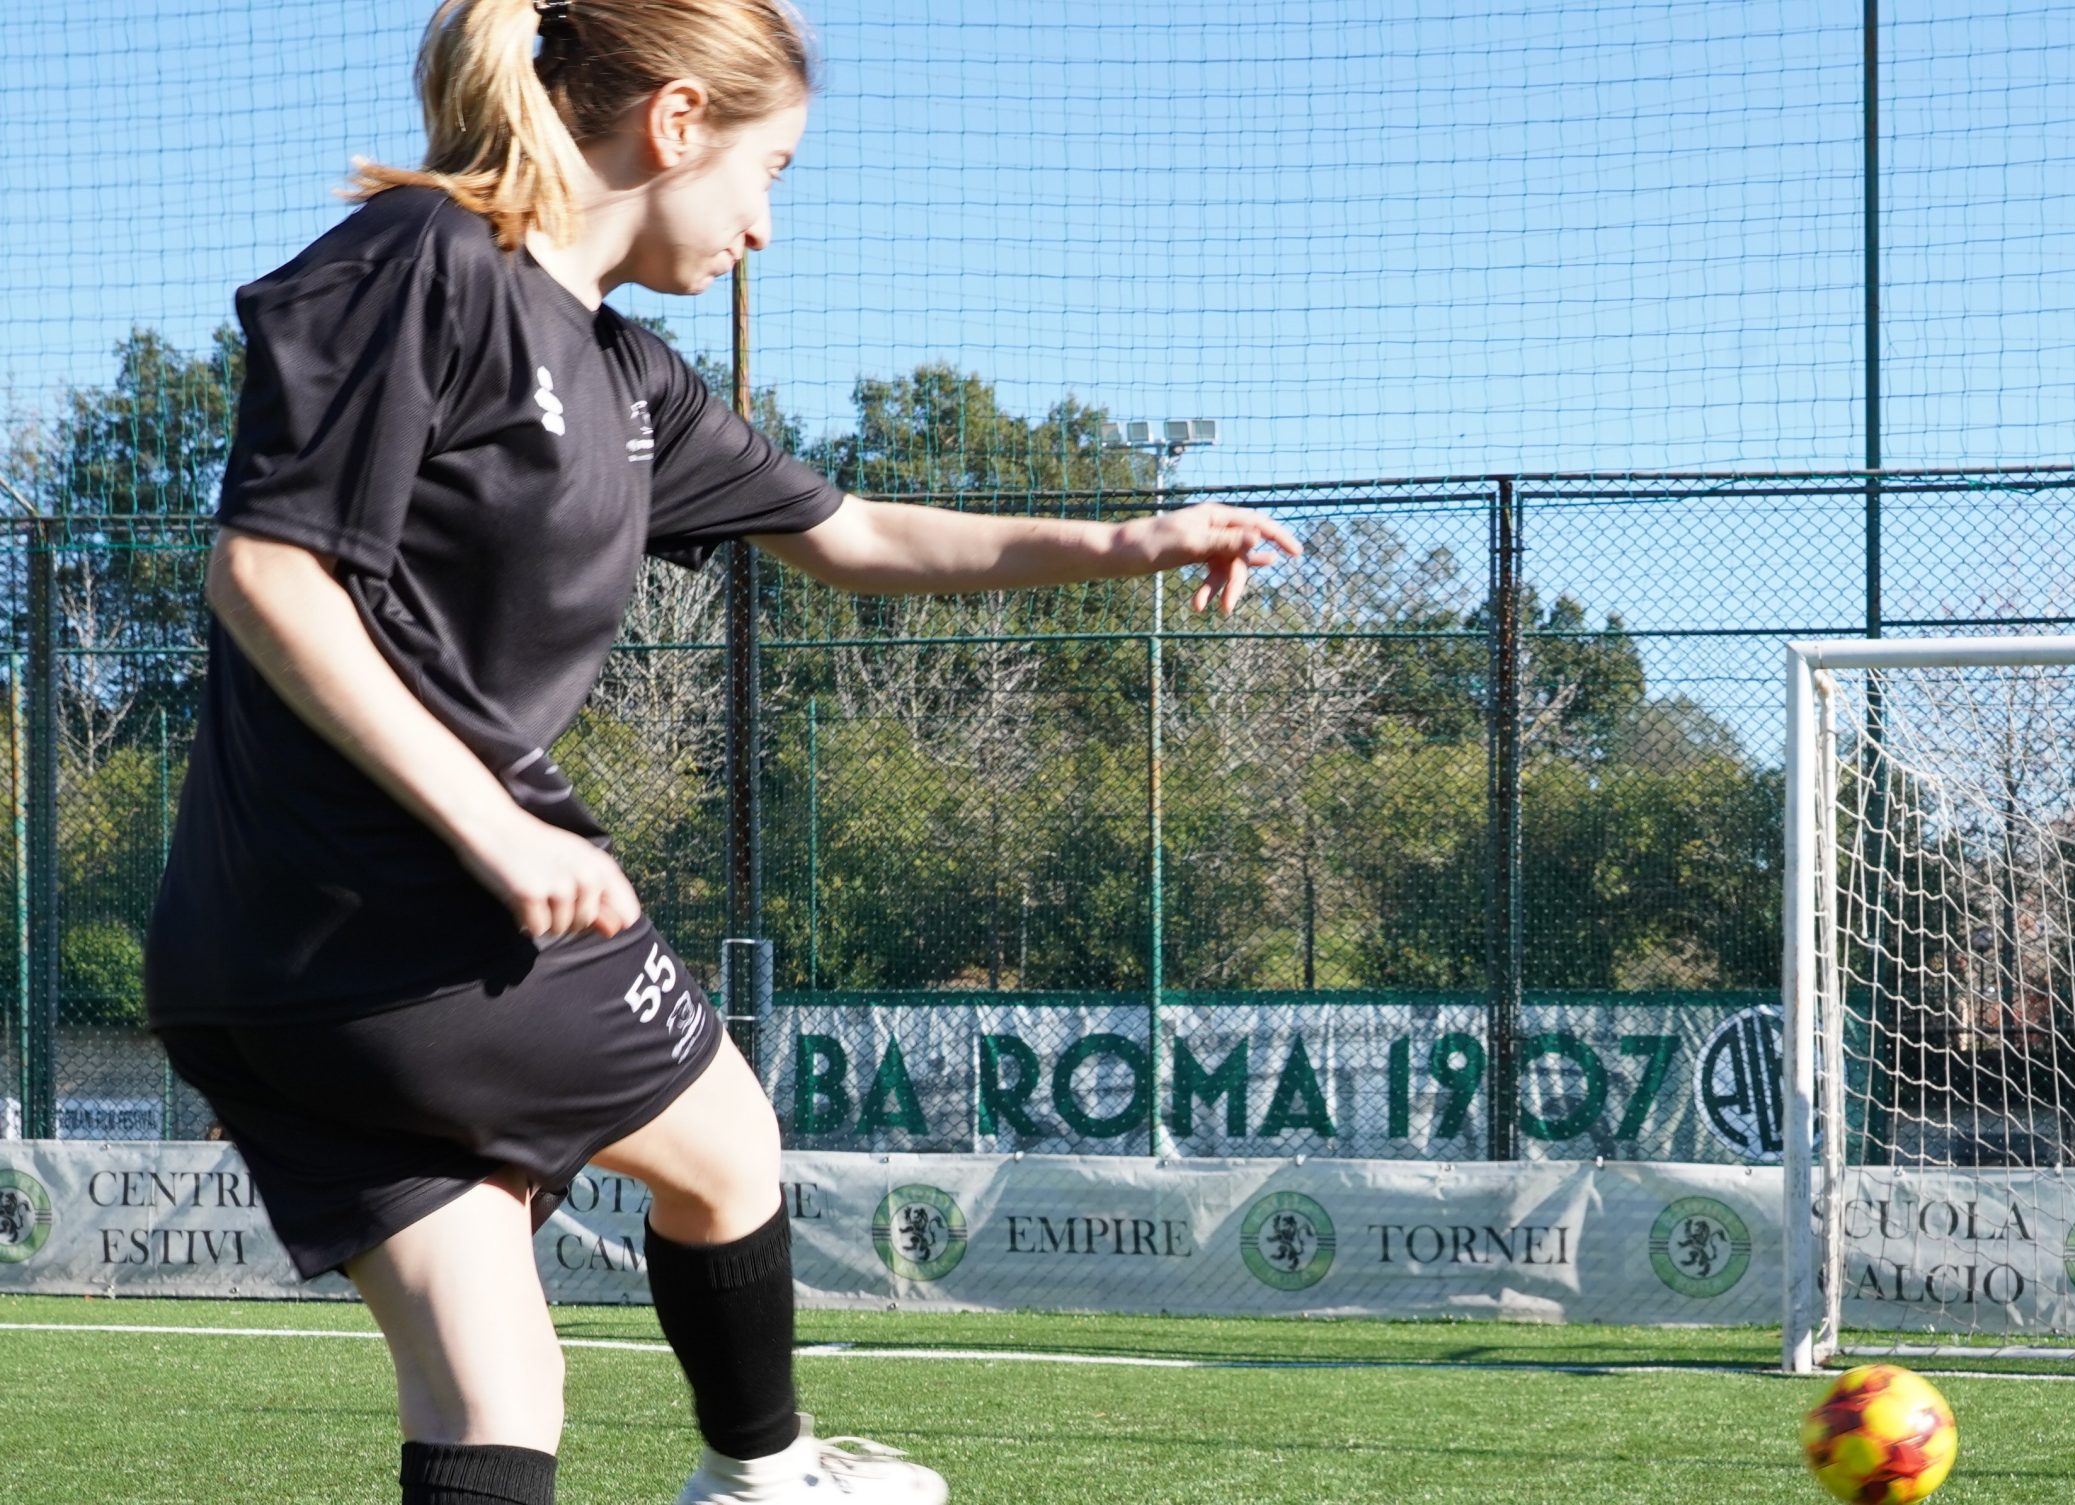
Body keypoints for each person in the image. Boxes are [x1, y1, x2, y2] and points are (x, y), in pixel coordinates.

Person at [140, 3, 1301, 1502]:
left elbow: (856, 534)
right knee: (732, 1142)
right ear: (675, 122)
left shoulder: (628, 380)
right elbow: (269, 575)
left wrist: (1130, 538)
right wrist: (497, 835)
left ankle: (759, 1474)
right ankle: (765, 1475)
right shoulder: (421, 268)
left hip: (271, 966)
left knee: (489, 1381)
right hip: (402, 913)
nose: (765, 225)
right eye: (776, 170)